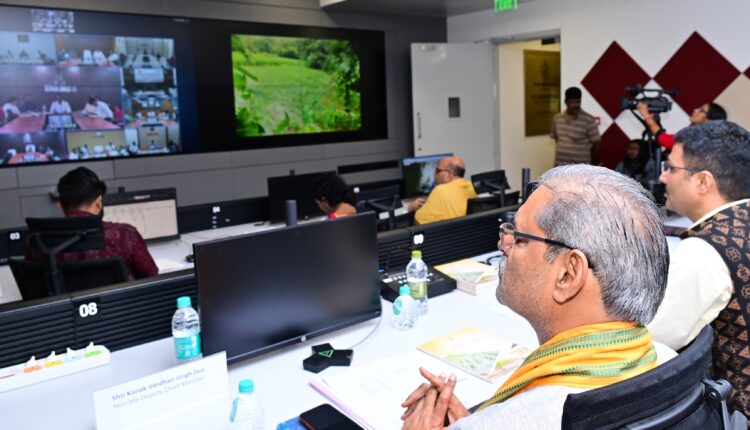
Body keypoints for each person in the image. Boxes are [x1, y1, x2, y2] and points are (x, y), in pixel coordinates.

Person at [401, 164, 671, 429]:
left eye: (518, 238)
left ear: (568, 274)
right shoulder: (664, 360)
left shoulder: (524, 419)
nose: (503, 244)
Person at [648, 121, 750, 417]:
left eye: (670, 168)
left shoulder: (706, 252)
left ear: (703, 182)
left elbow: (654, 338)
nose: (662, 176)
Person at [25, 167, 158, 280]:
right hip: (122, 308)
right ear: (99, 202)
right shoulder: (125, 235)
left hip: (66, 310)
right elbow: (152, 278)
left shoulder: (38, 242)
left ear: (60, 206)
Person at [407, 156, 477, 225]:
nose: (434, 174)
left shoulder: (440, 191)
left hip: (449, 234)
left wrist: (411, 209)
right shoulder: (472, 186)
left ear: (449, 174)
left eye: (438, 170)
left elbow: (418, 222)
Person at [637, 101, 726, 150]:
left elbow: (667, 141)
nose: (695, 110)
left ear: (709, 119)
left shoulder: (699, 137)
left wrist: (646, 115)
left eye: (701, 110)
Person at [550, 87, 601, 165]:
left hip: (580, 169)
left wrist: (593, 165)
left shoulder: (588, 120)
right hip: (559, 167)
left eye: (578, 102)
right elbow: (557, 139)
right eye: (572, 102)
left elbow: (597, 143)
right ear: (565, 102)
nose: (575, 105)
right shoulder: (557, 118)